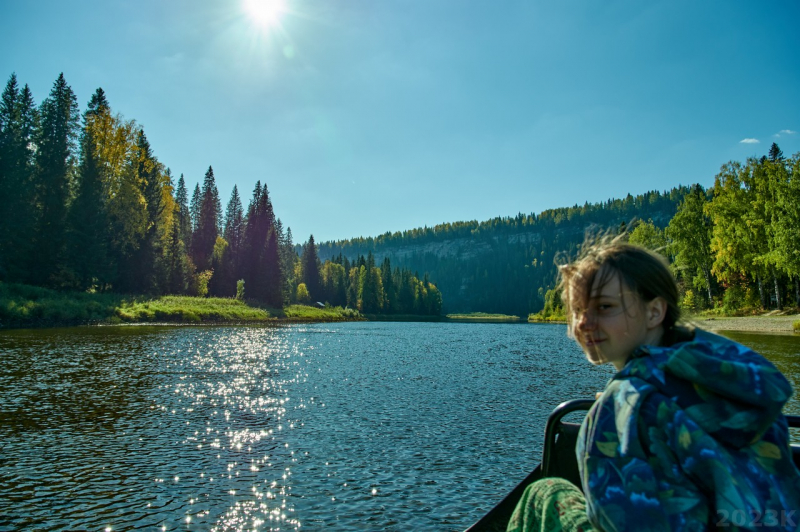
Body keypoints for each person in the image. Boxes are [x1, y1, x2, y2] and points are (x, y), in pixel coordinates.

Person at [507, 237, 800, 532]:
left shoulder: (625, 407)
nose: (583, 323)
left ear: (654, 312)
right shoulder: (738, 380)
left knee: (542, 494)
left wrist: (621, 404)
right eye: (578, 310)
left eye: (604, 307)